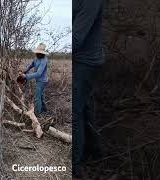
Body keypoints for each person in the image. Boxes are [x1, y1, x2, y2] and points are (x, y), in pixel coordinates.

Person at [73, 0, 104, 178]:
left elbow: (77, 37)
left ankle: (74, 165)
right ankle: (94, 149)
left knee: (75, 111)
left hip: (86, 63)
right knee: (85, 106)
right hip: (80, 60)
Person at [21, 43, 49, 116]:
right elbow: (31, 65)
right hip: (39, 80)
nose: (37, 54)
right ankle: (44, 111)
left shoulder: (44, 61)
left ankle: (38, 114)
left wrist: (26, 76)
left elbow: (38, 73)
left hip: (42, 81)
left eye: (39, 53)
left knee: (37, 97)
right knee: (41, 96)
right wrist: (25, 70)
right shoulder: (36, 59)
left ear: (42, 53)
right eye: (37, 52)